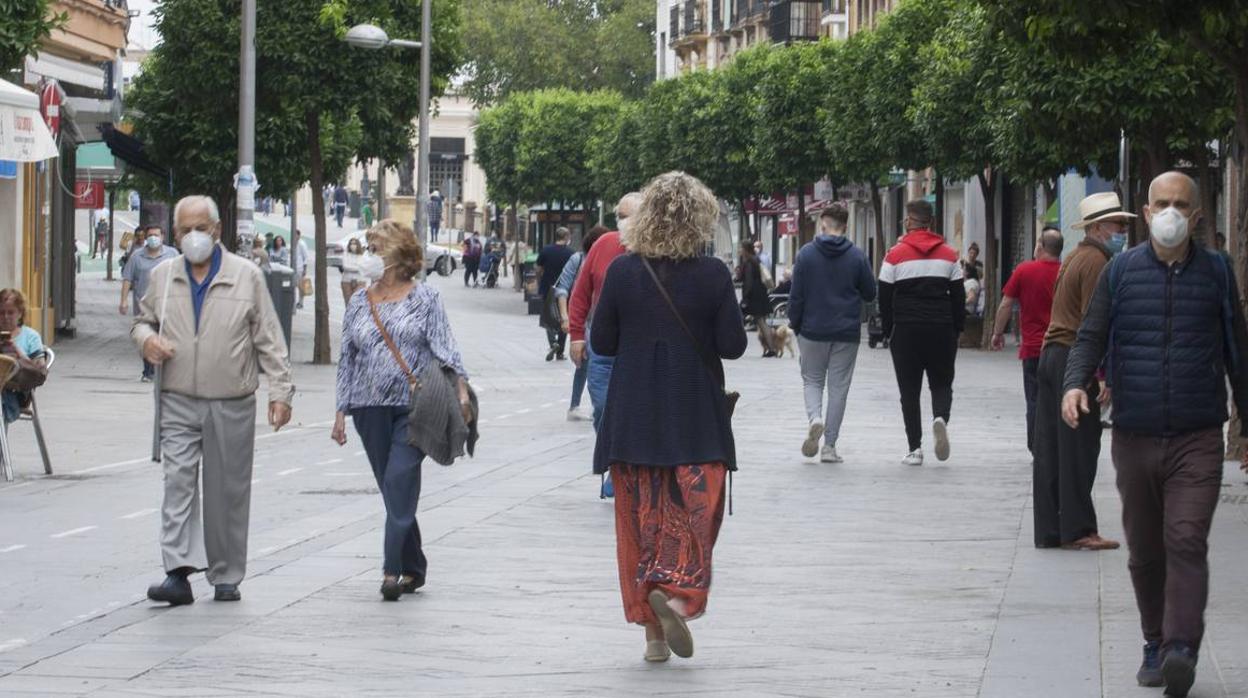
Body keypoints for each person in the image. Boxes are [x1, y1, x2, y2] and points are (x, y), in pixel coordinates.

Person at [1061, 172, 1248, 697]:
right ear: (1145, 213)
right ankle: (1153, 640)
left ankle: (1180, 648)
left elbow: (1238, 350)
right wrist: (1074, 384)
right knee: (1145, 552)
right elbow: (1090, 336)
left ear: (1195, 215)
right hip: (1135, 434)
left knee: (1186, 539)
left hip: (1198, 434)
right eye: (1160, 202)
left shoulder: (1216, 271)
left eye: (1180, 204)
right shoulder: (1119, 271)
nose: (1170, 212)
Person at [590, 171, 747, 663]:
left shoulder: (621, 272)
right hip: (695, 419)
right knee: (697, 519)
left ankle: (653, 636)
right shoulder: (713, 274)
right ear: (700, 219)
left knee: (639, 526)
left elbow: (603, 343)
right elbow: (733, 346)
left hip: (632, 421)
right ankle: (679, 595)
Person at [132, 195, 293, 606]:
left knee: (227, 490)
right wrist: (146, 339)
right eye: (184, 230)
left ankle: (225, 574)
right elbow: (142, 320)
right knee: (177, 484)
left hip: (232, 399)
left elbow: (269, 338)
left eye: (199, 228)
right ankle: (178, 572)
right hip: (177, 397)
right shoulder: (164, 276)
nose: (192, 237)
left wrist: (280, 391)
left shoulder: (247, 276)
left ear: (217, 230)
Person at [331, 220, 470, 601]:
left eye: (377, 250)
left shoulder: (425, 297)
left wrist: (460, 389)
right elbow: (348, 358)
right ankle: (415, 566)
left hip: (415, 405)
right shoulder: (360, 299)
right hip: (367, 406)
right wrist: (341, 410)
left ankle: (391, 570)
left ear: (399, 256)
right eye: (369, 249)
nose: (370, 257)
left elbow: (445, 346)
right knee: (393, 490)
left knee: (398, 480)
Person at [1033, 191, 1129, 552]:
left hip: (1052, 355)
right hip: (1074, 358)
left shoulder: (1074, 256)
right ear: (1100, 227)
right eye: (1119, 223)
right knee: (1079, 447)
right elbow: (1095, 322)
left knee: (1051, 449)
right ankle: (1078, 529)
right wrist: (1101, 374)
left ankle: (1051, 529)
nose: (1123, 230)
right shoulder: (1098, 263)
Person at [788, 203, 876, 463]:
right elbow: (870, 293)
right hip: (845, 332)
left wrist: (795, 324)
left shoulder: (806, 255)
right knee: (838, 388)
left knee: (812, 380)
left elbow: (796, 296)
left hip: (812, 330)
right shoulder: (858, 256)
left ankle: (815, 418)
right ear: (845, 226)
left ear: (823, 223)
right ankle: (829, 447)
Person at [878, 200, 964, 466]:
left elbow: (884, 296)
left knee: (909, 391)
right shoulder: (950, 255)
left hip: (906, 330)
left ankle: (915, 448)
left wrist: (888, 329)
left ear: (908, 222)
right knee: (941, 382)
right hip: (941, 328)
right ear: (932, 223)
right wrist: (956, 329)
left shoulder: (894, 254)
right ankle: (940, 417)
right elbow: (958, 297)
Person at [569, 193, 644, 498]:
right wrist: (575, 334)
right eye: (619, 216)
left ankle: (625, 468)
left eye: (629, 217)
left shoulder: (654, 250)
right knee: (602, 407)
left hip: (636, 346)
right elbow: (581, 290)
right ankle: (615, 463)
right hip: (600, 345)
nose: (622, 223)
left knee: (632, 411)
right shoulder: (603, 245)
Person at [990, 227, 1064, 456]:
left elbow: (1005, 304)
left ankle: (1037, 446)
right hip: (1061, 347)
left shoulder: (1024, 271)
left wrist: (997, 333)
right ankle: (1057, 445)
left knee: (1034, 399)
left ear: (1040, 246)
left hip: (1032, 349)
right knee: (1059, 398)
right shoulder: (1066, 272)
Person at [556, 225, 606, 421]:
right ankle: (577, 405)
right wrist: (565, 317)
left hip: (601, 321)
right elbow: (562, 289)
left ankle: (594, 406)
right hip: (583, 321)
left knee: (591, 363)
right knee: (584, 363)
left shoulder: (610, 259)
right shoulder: (577, 260)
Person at [120, 226, 178, 382]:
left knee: (166, 336)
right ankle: (148, 372)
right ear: (145, 237)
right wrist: (123, 300)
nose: (153, 238)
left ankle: (164, 370)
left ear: (162, 236)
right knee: (147, 336)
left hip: (168, 304)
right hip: (144, 305)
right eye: (150, 235)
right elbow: (127, 279)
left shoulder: (172, 254)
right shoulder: (137, 256)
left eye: (156, 235)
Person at [1, 289, 46, 426]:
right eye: (1, 313)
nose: (6, 317)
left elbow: (39, 370)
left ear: (20, 313)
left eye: (11, 312)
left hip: (14, 394)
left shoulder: (30, 337)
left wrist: (16, 350)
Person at [536, 227, 574, 361]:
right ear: (567, 237)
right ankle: (560, 351)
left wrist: (540, 281)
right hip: (566, 290)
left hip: (548, 288)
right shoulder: (571, 253)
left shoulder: (546, 250)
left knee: (548, 317)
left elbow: (538, 268)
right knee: (564, 317)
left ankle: (553, 343)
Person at [739, 240, 777, 357]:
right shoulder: (755, 260)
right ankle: (771, 348)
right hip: (760, 293)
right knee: (761, 322)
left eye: (741, 248)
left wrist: (745, 297)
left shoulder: (750, 262)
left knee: (760, 321)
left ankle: (771, 349)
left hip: (754, 296)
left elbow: (749, 281)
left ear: (746, 250)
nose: (739, 251)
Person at [340, 237, 365, 304]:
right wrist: (357, 267)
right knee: (348, 303)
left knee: (358, 302)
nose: (353, 246)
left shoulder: (362, 256)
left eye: (354, 244)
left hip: (360, 281)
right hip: (346, 281)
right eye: (351, 244)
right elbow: (345, 266)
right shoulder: (345, 254)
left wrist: (352, 267)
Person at [292, 229, 310, 309]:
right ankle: (294, 301)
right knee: (294, 285)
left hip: (300, 268)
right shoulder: (292, 243)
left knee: (301, 286)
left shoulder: (302, 244)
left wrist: (305, 269)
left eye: (296, 235)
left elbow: (306, 257)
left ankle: (300, 302)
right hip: (293, 267)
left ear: (299, 235)